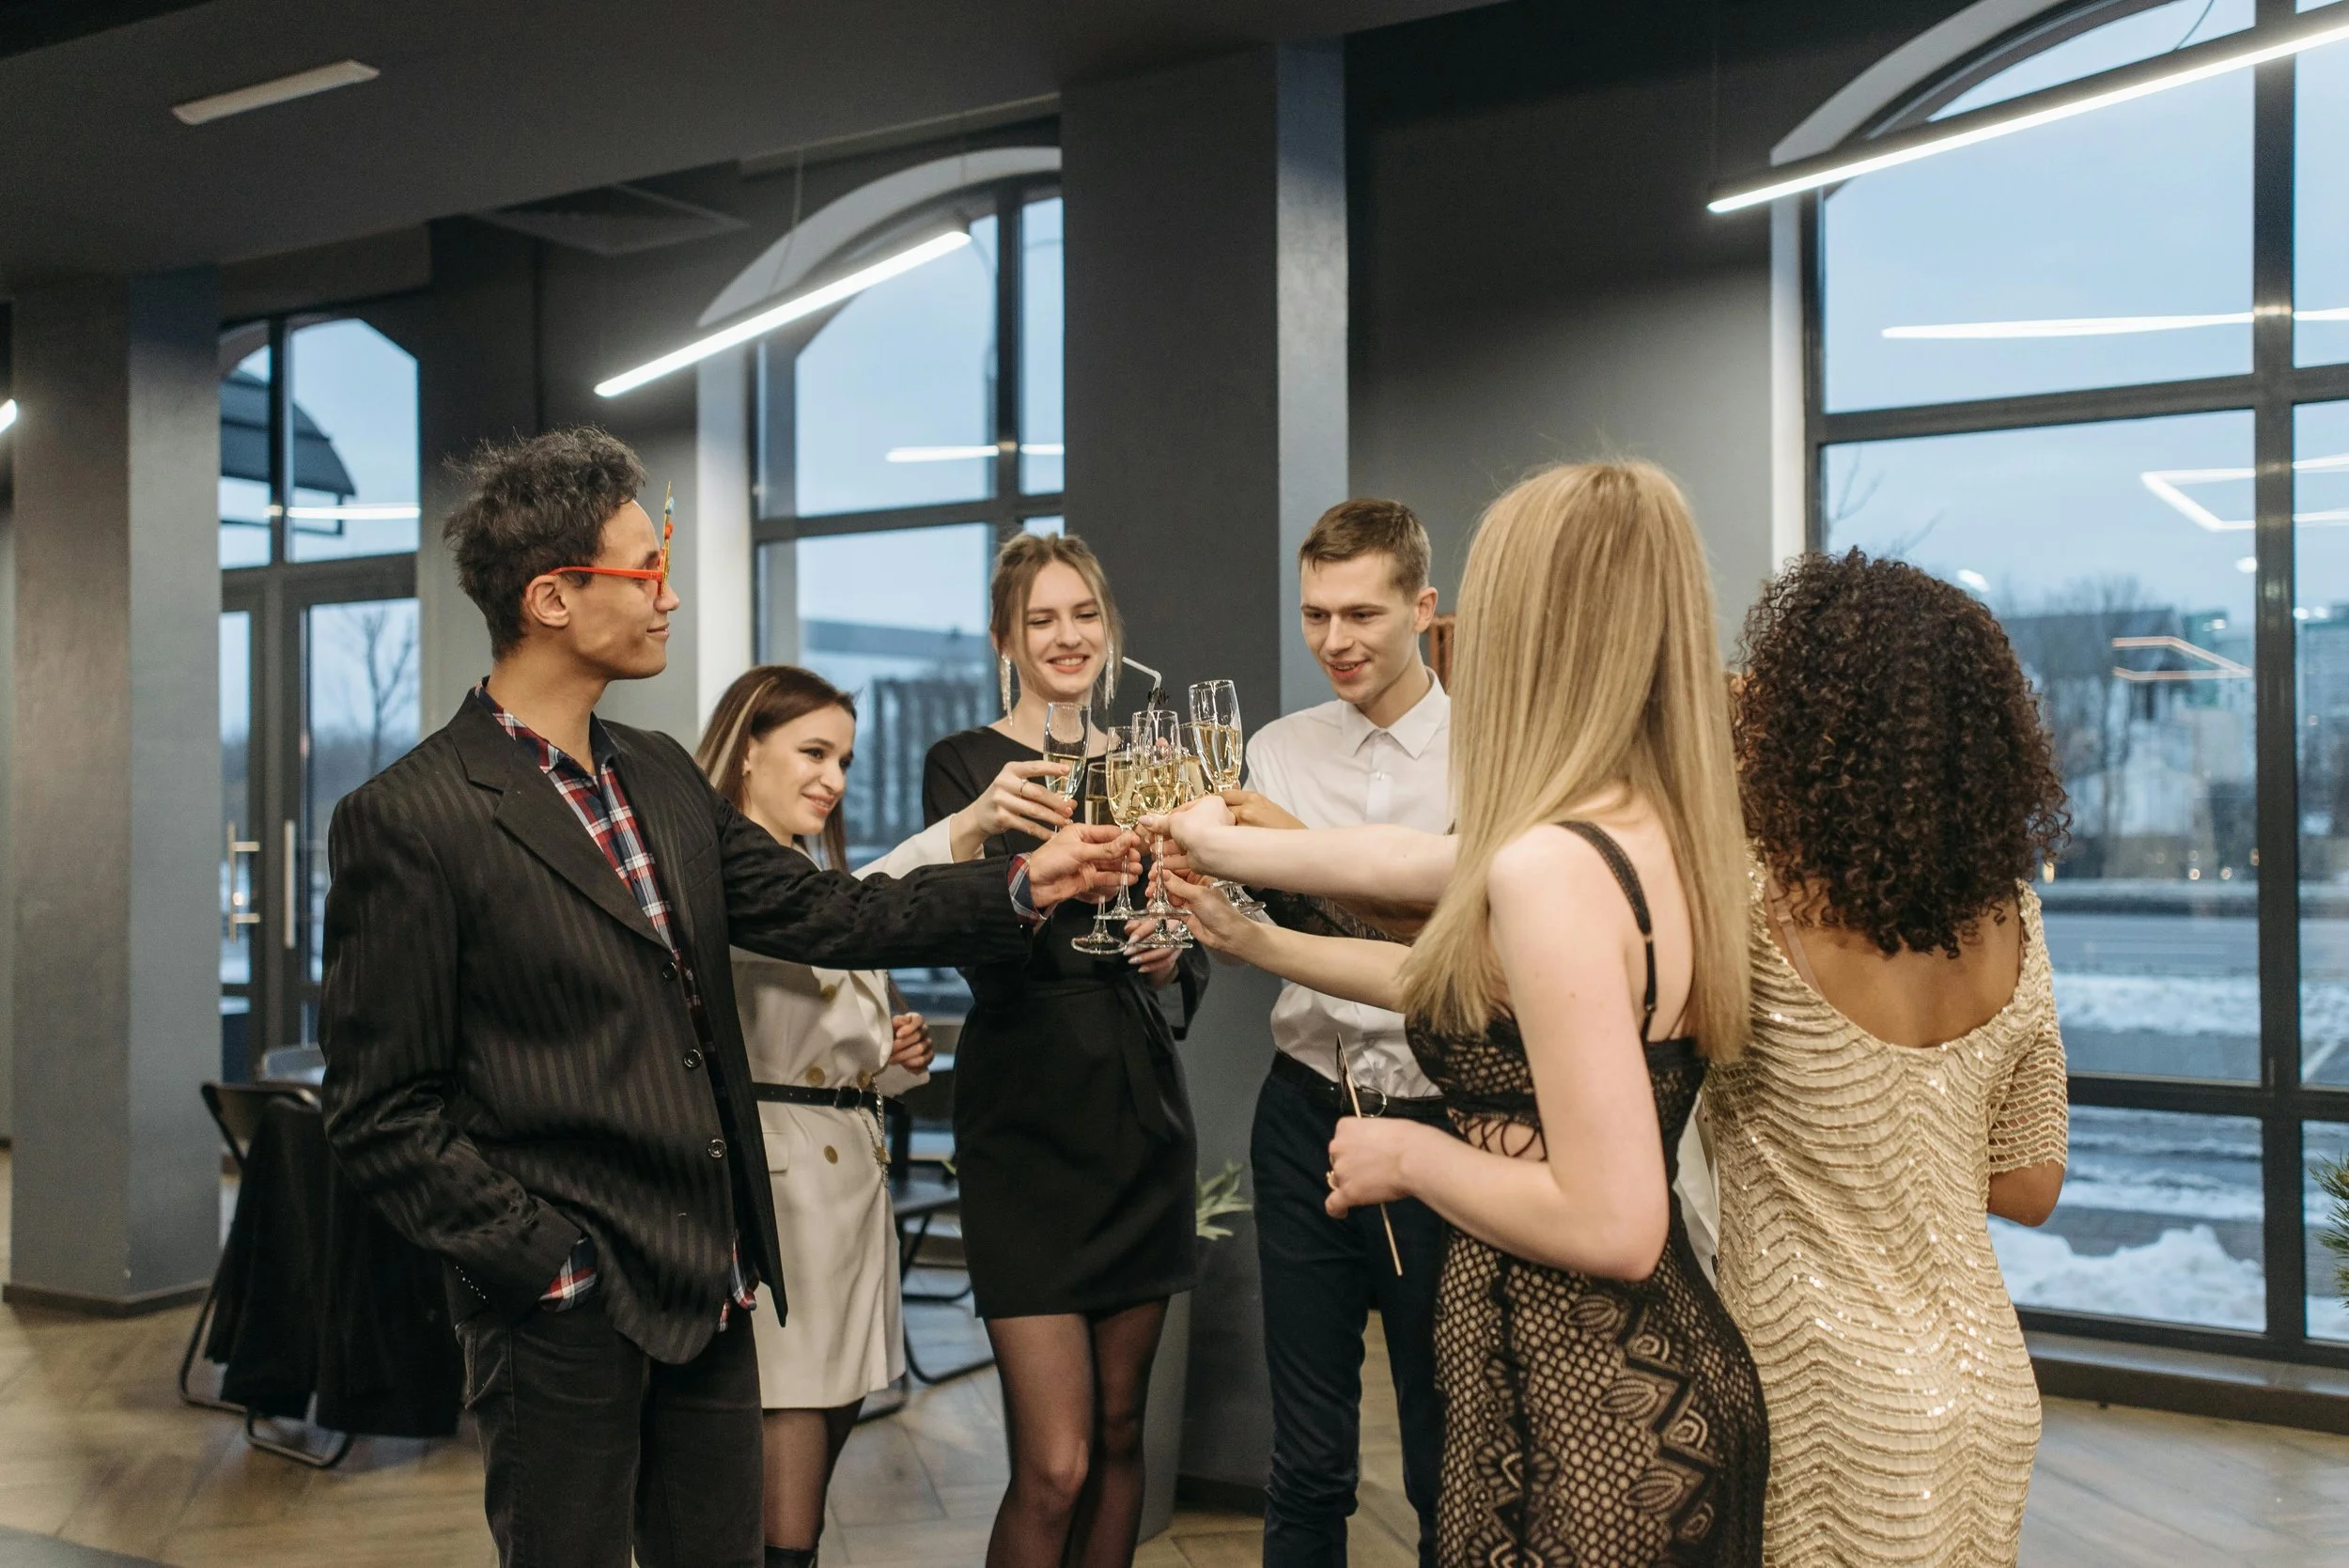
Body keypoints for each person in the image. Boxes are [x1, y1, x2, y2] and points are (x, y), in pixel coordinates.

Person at [318, 429, 1134, 1568]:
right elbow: (379, 1109)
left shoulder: (656, 773)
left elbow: (835, 913)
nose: (671, 595)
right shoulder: (411, 817)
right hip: (565, 1310)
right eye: (647, 570)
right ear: (553, 596)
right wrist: (550, 1266)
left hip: (710, 1283)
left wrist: (1021, 880)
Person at [1159, 461, 1768, 1565]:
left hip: (1584, 1402)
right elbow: (1422, 880)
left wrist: (1407, 1155)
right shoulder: (1667, 826)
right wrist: (1237, 885)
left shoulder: (1551, 856)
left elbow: (1614, 1223)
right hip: (1676, 1374)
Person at [1710, 550, 2069, 1567]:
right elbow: (2030, 1182)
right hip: (1992, 1388)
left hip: (1821, 1389)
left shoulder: (1749, 905)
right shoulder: (2016, 921)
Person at [921, 531, 1207, 1568]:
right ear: (1007, 637)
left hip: (1139, 1118)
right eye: (1041, 618)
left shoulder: (1152, 768)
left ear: (1108, 628)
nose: (1066, 634)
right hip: (1023, 1126)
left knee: (1125, 1433)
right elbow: (964, 937)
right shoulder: (967, 770)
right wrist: (1039, 880)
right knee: (1056, 1462)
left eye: (1082, 612)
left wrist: (1174, 952)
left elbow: (1193, 934)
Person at [1228, 498, 1452, 1568]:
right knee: (1307, 1453)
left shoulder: (1489, 749)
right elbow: (1253, 926)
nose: (1334, 642)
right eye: (1315, 614)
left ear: (1423, 605)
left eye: (1360, 613)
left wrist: (1293, 850)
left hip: (1442, 1124)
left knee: (1441, 1447)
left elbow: (1460, 954)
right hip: (1304, 1111)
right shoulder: (1275, 749)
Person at [692, 664, 944, 1568]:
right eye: (813, 751)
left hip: (845, 1172)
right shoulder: (721, 879)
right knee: (790, 1428)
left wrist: (890, 1059)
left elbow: (838, 1044)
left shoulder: (814, 874)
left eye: (843, 757)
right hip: (785, 1190)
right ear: (747, 752)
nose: (833, 777)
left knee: (828, 1416)